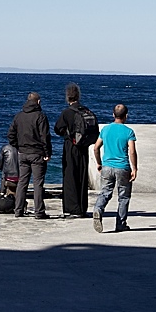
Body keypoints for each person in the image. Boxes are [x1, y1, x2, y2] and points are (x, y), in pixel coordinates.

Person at [54, 83, 99, 218]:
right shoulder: (85, 110)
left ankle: (72, 208)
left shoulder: (67, 112)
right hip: (84, 147)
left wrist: (67, 133)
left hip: (71, 146)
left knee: (70, 176)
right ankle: (82, 207)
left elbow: (57, 129)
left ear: (67, 97)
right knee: (82, 176)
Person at [92, 103, 137, 233]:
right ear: (126, 116)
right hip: (122, 167)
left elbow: (96, 148)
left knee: (105, 192)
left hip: (107, 166)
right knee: (123, 196)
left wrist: (99, 163)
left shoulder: (105, 129)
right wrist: (135, 168)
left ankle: (98, 209)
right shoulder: (128, 132)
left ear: (113, 115)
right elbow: (132, 152)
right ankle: (120, 224)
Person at [7, 91, 52, 219]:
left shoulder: (19, 116)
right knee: (38, 183)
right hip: (37, 153)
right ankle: (39, 211)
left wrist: (17, 146)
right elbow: (45, 137)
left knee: (22, 182)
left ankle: (18, 209)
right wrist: (47, 152)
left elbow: (10, 134)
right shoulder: (40, 116)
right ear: (38, 102)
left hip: (23, 152)